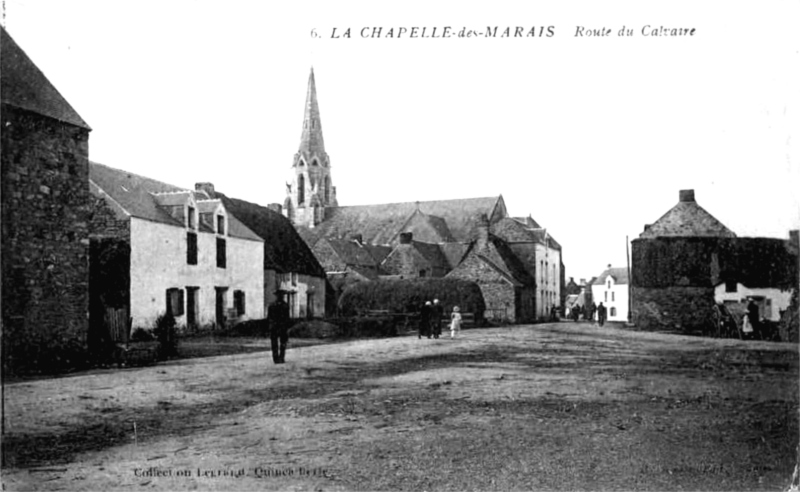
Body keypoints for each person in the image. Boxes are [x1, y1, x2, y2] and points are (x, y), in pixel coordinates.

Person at [267, 290, 291, 363]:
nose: (281, 296)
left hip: (277, 327)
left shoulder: (273, 305)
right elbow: (287, 318)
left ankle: (278, 358)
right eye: (280, 295)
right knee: (279, 343)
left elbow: (269, 318)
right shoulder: (284, 305)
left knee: (278, 344)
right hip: (280, 327)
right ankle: (279, 358)